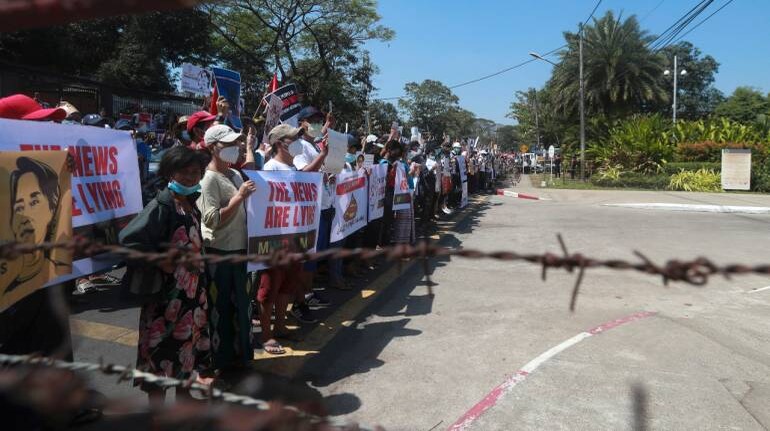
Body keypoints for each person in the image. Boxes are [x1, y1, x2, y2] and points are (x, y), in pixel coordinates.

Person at [118, 146, 213, 404]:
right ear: (170, 172)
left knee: (186, 352)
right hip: (166, 298)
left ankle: (184, 402)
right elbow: (128, 240)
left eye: (196, 172)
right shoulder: (162, 204)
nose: (192, 177)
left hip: (190, 297)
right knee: (159, 357)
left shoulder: (189, 203)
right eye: (185, 172)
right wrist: (161, 261)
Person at [197, 124, 256, 370]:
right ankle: (221, 360)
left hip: (241, 251)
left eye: (236, 144)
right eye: (229, 145)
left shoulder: (233, 174)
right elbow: (211, 219)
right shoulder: (209, 179)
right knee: (220, 308)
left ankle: (241, 356)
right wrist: (239, 197)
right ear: (213, 147)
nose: (235, 148)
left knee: (242, 306)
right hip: (220, 253)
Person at [256, 124, 312, 355]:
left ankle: (280, 326)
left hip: (295, 237)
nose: (298, 142)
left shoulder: (296, 168)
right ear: (280, 143)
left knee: (287, 286)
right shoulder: (270, 168)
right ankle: (266, 335)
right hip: (274, 239)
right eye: (293, 139)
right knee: (269, 288)